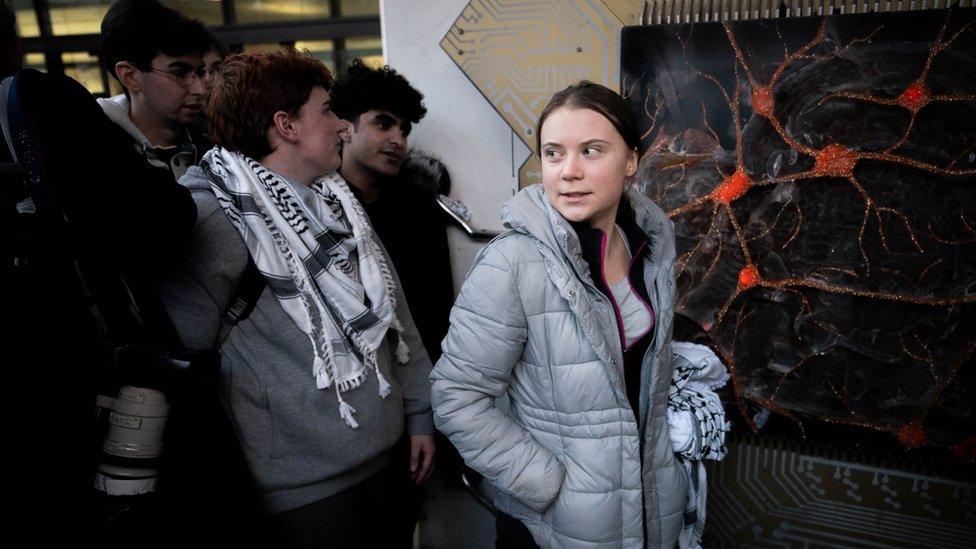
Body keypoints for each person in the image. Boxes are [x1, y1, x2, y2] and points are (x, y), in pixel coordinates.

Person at [430, 81, 728, 548]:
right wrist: (547, 485)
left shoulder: (651, 247)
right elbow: (455, 398)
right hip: (557, 526)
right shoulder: (513, 263)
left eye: (591, 151)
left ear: (630, 161)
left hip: (650, 509)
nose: (568, 172)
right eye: (553, 154)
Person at [158, 50, 436, 547]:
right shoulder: (216, 217)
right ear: (285, 125)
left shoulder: (341, 204)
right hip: (300, 492)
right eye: (328, 110)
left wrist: (419, 415)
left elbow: (398, 319)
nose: (342, 127)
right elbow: (184, 364)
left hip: (388, 458)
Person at [329, 59, 453, 362]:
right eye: (383, 124)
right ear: (345, 128)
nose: (398, 140)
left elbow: (438, 307)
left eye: (404, 129)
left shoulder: (420, 209)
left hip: (417, 368)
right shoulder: (320, 206)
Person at [97, 0, 211, 180]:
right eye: (180, 73)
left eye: (199, 72)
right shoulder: (93, 161)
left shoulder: (218, 144)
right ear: (130, 76)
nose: (200, 89)